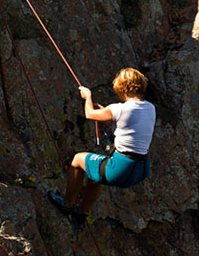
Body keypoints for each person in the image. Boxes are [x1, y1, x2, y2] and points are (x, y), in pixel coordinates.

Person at [48, 67, 156, 227]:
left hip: (120, 168)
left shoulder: (119, 109)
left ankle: (67, 204)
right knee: (94, 175)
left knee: (78, 160)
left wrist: (88, 96)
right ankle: (81, 214)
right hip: (141, 169)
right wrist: (106, 112)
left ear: (123, 88)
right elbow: (127, 126)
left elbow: (89, 114)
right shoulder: (150, 108)